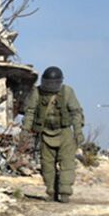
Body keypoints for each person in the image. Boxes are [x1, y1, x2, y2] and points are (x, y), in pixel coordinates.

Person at [22, 66, 84, 202]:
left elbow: (76, 112)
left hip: (64, 132)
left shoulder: (67, 92)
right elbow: (30, 112)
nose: (51, 86)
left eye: (54, 83)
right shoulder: (36, 92)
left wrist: (78, 131)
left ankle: (65, 192)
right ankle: (51, 191)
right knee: (47, 165)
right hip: (45, 133)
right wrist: (25, 130)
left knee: (67, 164)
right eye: (48, 83)